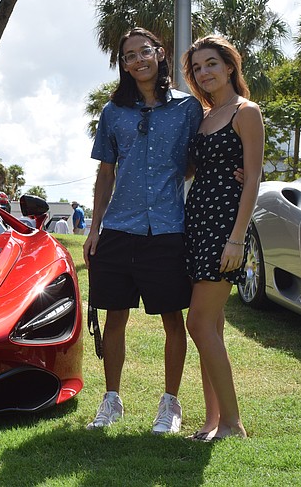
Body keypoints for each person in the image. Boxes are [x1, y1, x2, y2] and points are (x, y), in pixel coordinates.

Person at [84, 27, 203, 434]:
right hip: (119, 228)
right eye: (129, 55)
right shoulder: (113, 112)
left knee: (173, 318)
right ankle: (111, 399)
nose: (138, 60)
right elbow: (105, 172)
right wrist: (95, 227)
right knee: (114, 317)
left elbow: (196, 160)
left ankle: (170, 404)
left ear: (160, 53)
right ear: (124, 65)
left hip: (168, 229)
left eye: (144, 51)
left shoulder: (187, 110)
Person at [181, 35, 264, 441]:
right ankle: (214, 420)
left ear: (230, 66)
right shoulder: (203, 116)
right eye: (197, 68)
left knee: (197, 322)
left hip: (224, 227)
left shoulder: (246, 113)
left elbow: (252, 178)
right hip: (196, 221)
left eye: (211, 64)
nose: (204, 72)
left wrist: (236, 239)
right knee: (211, 324)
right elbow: (193, 169)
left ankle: (233, 423)